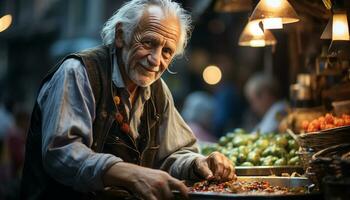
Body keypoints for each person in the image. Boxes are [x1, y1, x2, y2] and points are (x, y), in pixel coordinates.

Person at [20, 0, 235, 200]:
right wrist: (130, 174)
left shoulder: (158, 90)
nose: (156, 60)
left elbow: (175, 154)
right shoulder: (79, 72)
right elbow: (62, 152)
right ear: (121, 35)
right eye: (148, 42)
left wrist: (198, 164)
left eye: (167, 51)